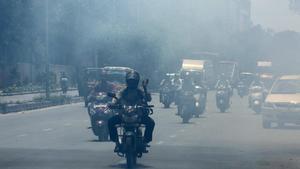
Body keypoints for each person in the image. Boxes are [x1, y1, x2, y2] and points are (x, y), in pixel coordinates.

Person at [108, 71, 155, 152]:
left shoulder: (140, 91)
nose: (132, 83)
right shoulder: (123, 91)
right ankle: (116, 142)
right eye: (130, 81)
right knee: (110, 122)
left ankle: (145, 141)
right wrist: (112, 104)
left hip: (138, 114)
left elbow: (148, 99)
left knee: (151, 123)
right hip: (124, 114)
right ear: (127, 81)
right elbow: (116, 97)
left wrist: (145, 88)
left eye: (133, 81)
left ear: (136, 82)